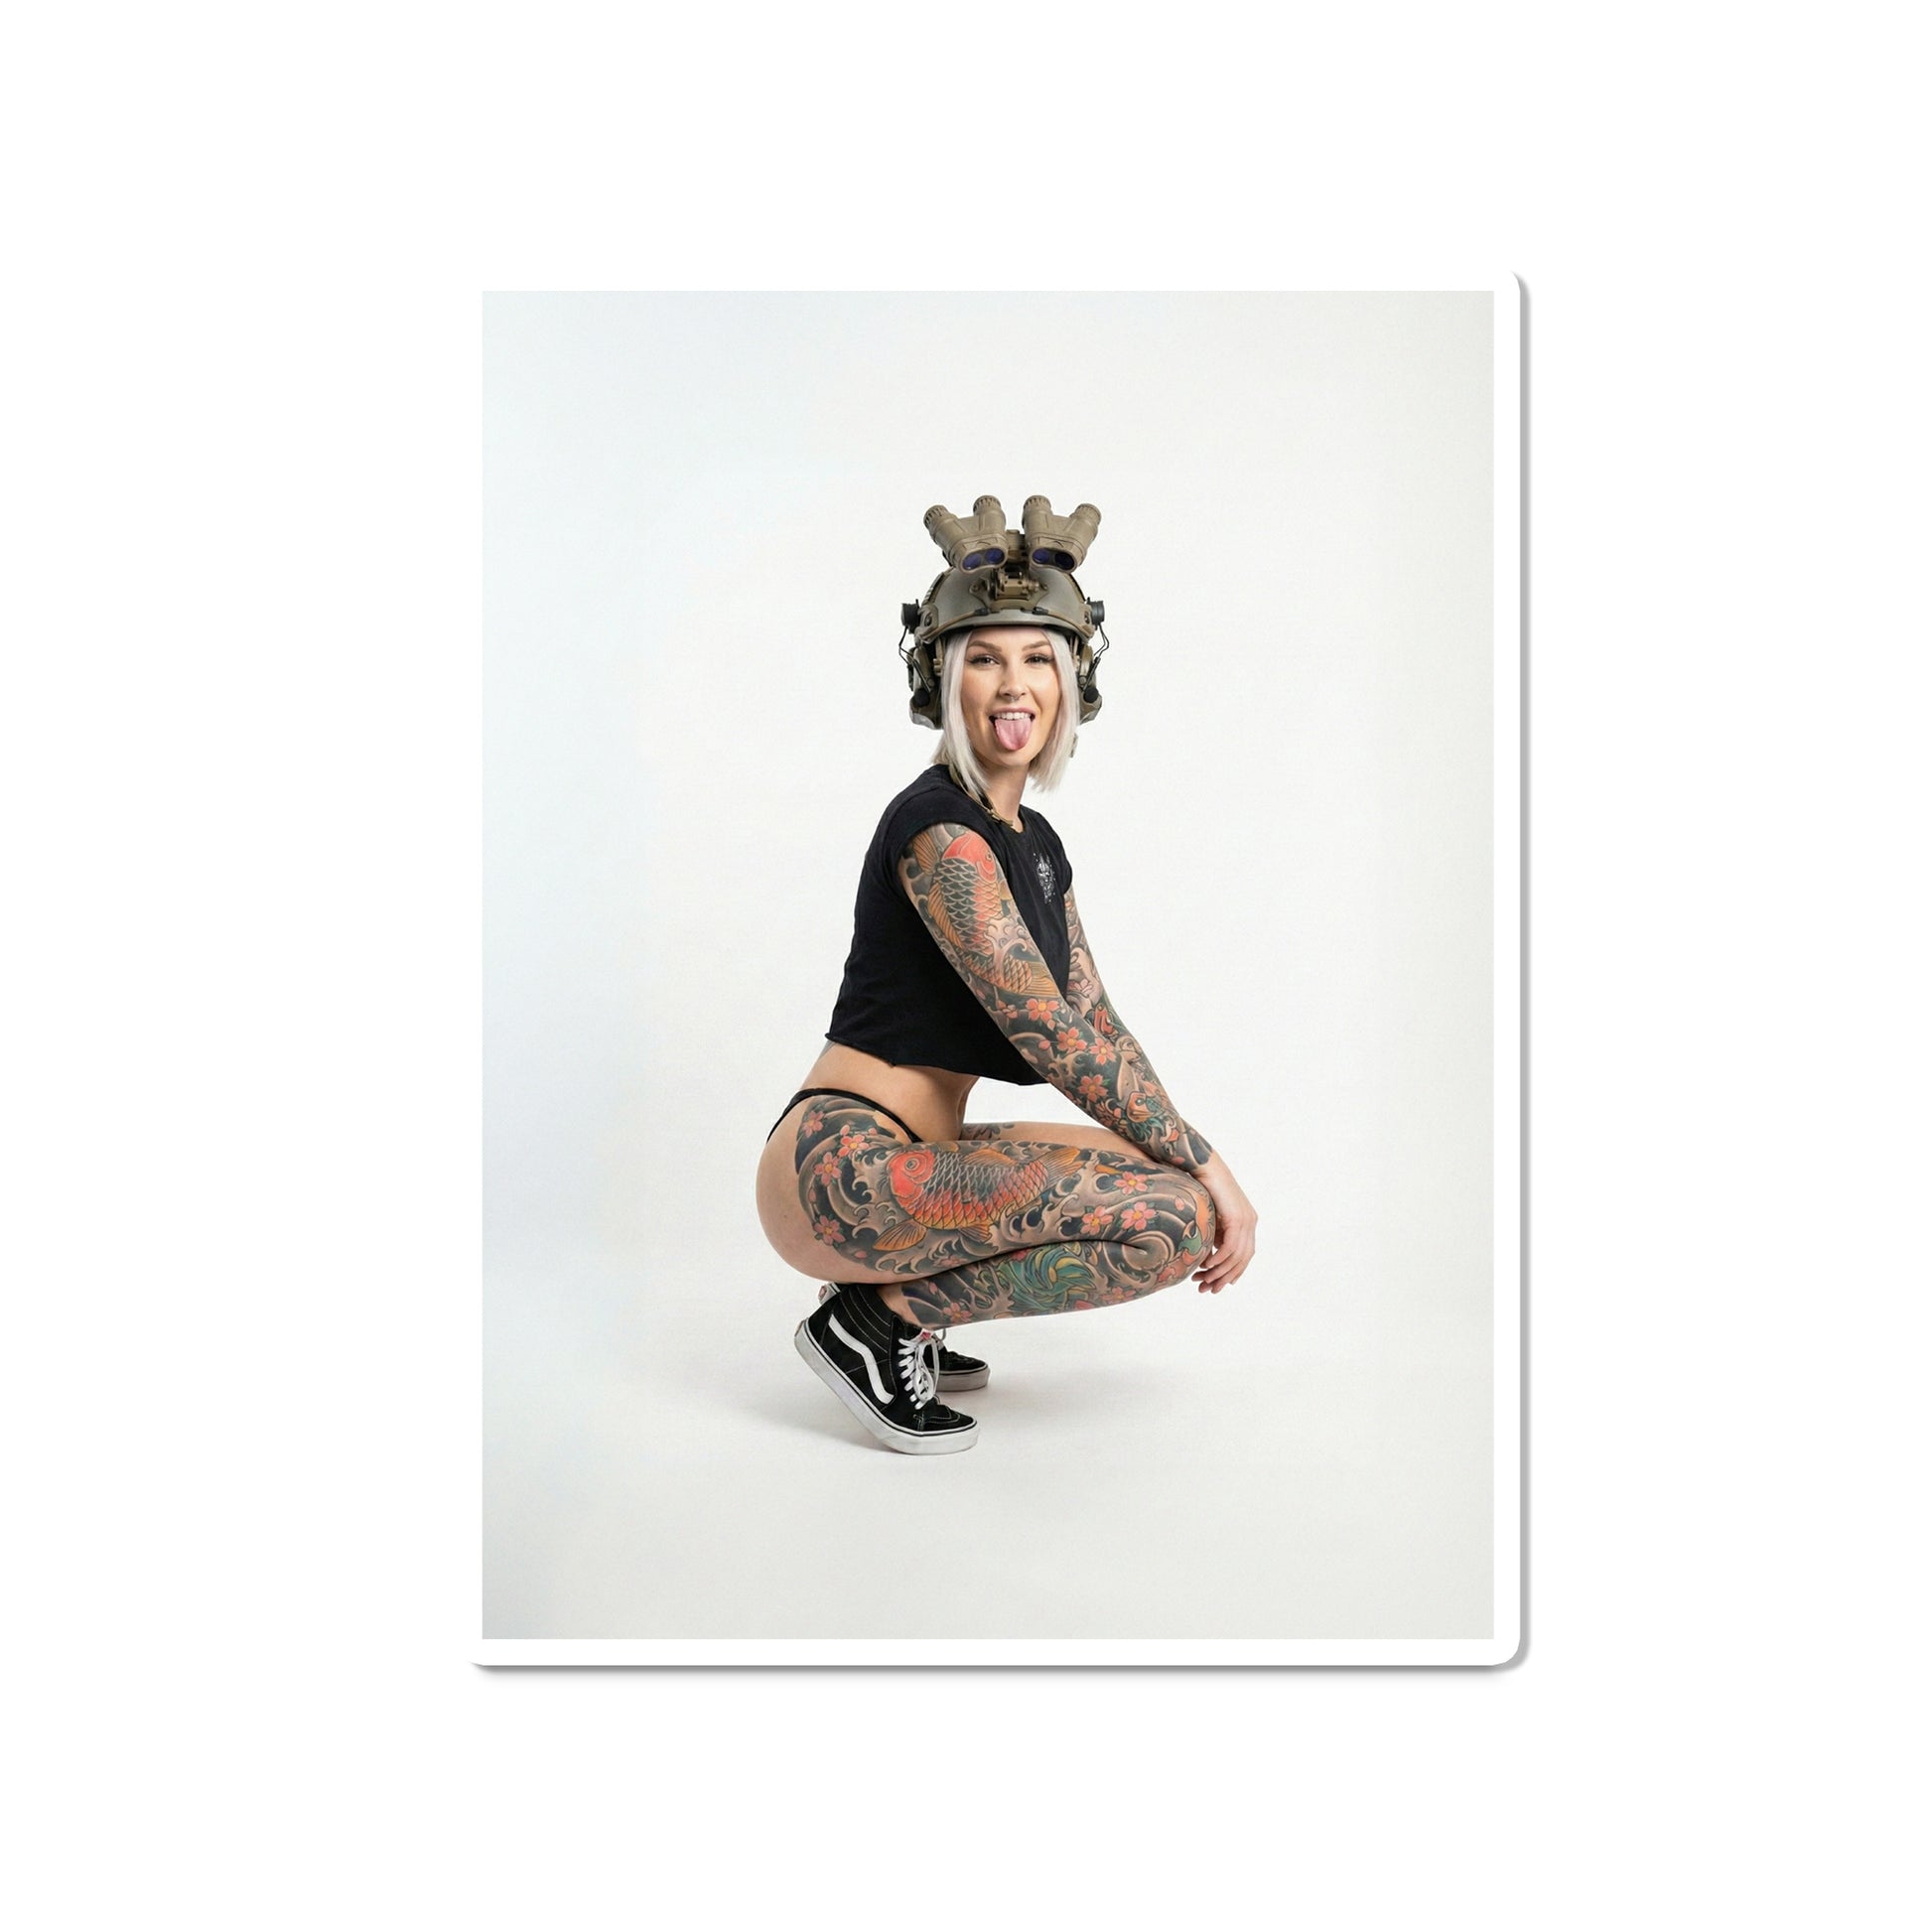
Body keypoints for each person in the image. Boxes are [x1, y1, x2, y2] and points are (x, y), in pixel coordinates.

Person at [753, 493, 1258, 1453]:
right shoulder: (941, 830)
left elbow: (1097, 1021)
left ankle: (895, 1308)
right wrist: (1212, 1165)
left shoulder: (1034, 842)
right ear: (945, 679)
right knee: (1176, 1217)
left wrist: (1193, 1152)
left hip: (918, 1154)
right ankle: (877, 1320)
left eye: (1038, 658)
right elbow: (1051, 1036)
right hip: (843, 1164)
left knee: (1166, 1187)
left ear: (1071, 680)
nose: (1012, 685)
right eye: (984, 658)